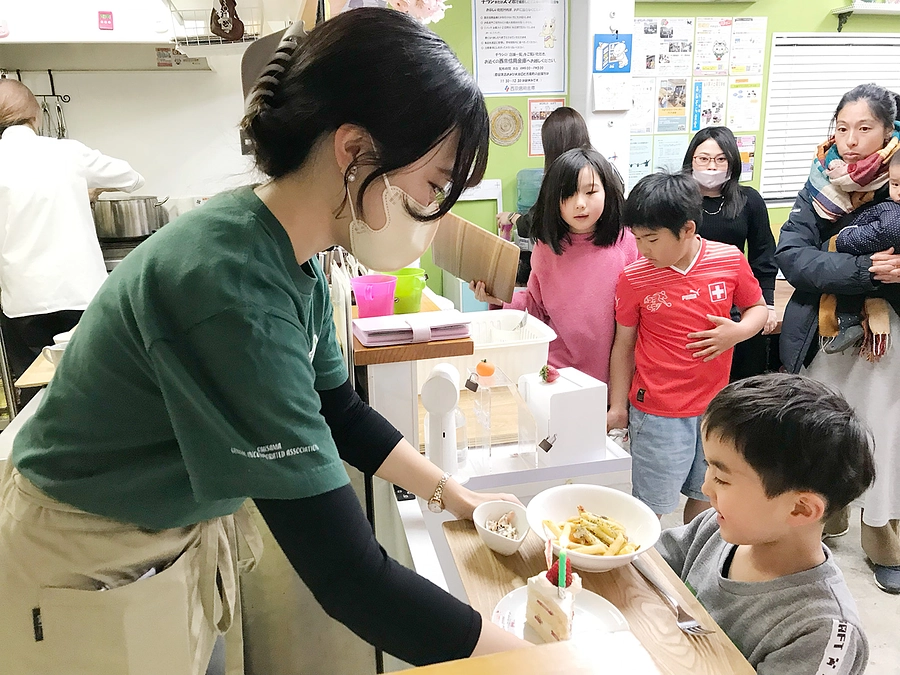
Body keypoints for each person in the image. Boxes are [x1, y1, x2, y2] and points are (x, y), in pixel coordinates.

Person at [0, 11, 529, 675]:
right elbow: (349, 578)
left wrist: (453, 494)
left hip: (162, 533)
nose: (434, 215)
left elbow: (338, 412)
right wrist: (539, 659)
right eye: (431, 186)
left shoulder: (294, 254)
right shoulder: (233, 291)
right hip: (82, 551)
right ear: (354, 151)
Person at [657, 373, 874, 675]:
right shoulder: (713, 529)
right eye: (708, 468)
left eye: (721, 478)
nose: (706, 488)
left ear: (799, 509)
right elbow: (647, 567)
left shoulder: (820, 630)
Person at [776, 83, 900, 594]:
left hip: (884, 339)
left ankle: (883, 539)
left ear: (889, 131)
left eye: (865, 128)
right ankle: (824, 524)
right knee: (822, 434)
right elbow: (792, 255)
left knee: (883, 437)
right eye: (843, 128)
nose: (851, 141)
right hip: (823, 336)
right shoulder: (819, 182)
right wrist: (866, 271)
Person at [607, 171, 767, 522]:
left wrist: (737, 333)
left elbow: (758, 308)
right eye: (637, 238)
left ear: (688, 229)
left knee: (707, 496)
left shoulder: (728, 260)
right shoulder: (634, 277)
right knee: (651, 507)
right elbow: (623, 345)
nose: (642, 249)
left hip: (714, 409)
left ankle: (690, 568)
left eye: (651, 239)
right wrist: (618, 406)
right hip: (657, 413)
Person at [0, 79, 144, 406]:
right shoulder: (67, 152)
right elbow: (132, 177)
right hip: (81, 297)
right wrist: (93, 190)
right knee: (100, 383)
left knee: (39, 394)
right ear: (35, 116)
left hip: (23, 305)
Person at [470, 147, 638, 385]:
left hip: (612, 381)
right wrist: (500, 298)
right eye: (567, 195)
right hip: (556, 375)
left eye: (590, 192)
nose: (580, 204)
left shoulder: (629, 245)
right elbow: (535, 307)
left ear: (607, 192)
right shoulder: (546, 248)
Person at [681, 126, 777, 379]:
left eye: (720, 159)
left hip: (737, 302)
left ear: (732, 162)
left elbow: (763, 255)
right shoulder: (677, 201)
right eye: (703, 158)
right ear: (691, 160)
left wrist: (767, 304)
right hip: (688, 302)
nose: (711, 166)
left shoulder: (749, 200)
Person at [495, 106, 591, 285]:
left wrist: (512, 217)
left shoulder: (560, 177)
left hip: (569, 264)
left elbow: (536, 223)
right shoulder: (600, 168)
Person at [822, 151, 900, 354]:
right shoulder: (892, 211)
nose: (898, 192)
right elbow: (847, 241)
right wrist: (843, 242)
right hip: (854, 251)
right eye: (895, 185)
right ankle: (848, 321)